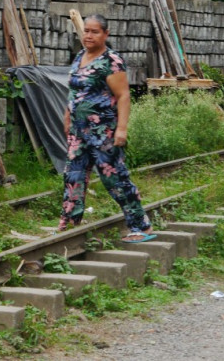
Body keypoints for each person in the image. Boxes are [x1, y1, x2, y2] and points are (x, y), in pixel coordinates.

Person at [58, 15, 155, 243]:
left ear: (105, 34)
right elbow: (74, 92)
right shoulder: (80, 56)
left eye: (95, 32)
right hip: (79, 132)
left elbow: (123, 96)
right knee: (73, 176)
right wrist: (67, 116)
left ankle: (141, 225)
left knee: (115, 179)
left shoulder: (111, 61)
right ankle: (69, 224)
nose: (89, 36)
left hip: (104, 133)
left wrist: (121, 129)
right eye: (86, 31)